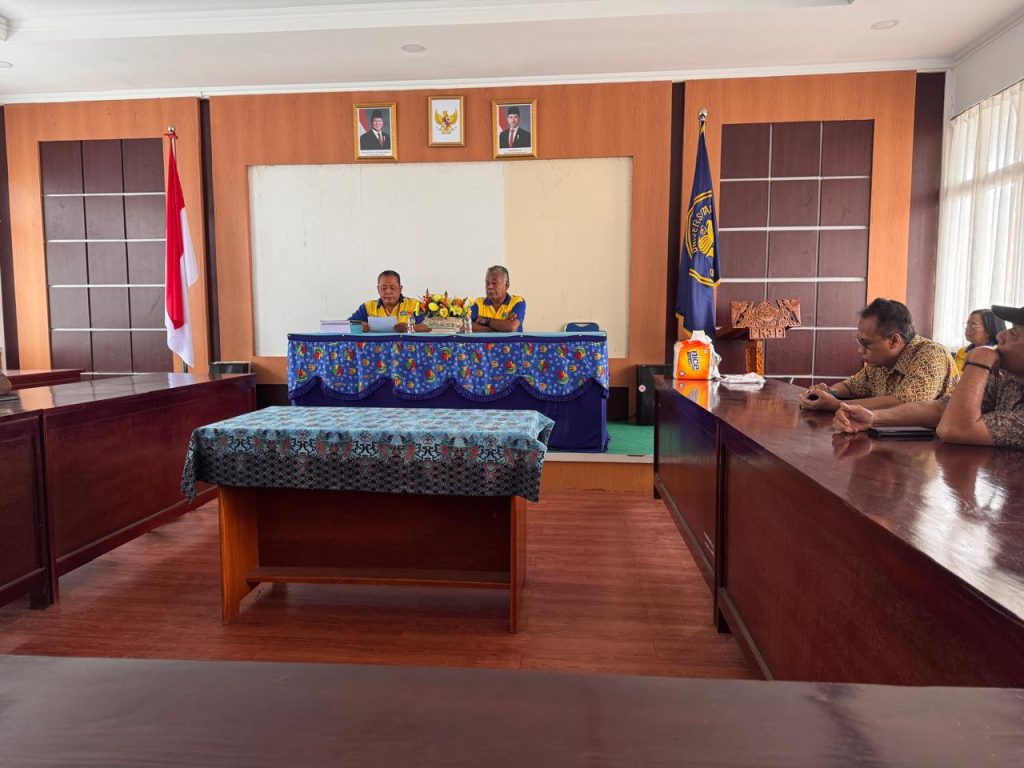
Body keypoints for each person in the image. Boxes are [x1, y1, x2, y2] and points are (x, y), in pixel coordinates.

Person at [833, 303, 1024, 449]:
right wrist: (873, 418)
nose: (1001, 336)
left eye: (1014, 332)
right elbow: (940, 409)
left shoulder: (932, 353)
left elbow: (954, 428)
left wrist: (979, 361)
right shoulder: (1008, 379)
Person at [799, 298, 958, 412]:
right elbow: (851, 386)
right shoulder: (880, 361)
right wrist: (828, 393)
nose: (860, 350)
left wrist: (837, 405)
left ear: (894, 341)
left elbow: (906, 405)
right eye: (859, 342)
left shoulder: (932, 355)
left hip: (940, 445)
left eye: (866, 344)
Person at [348, 270, 426, 332]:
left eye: (392, 288)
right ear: (378, 289)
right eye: (384, 288)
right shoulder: (368, 307)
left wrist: (409, 328)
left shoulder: (414, 305)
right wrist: (359, 326)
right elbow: (347, 324)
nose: (388, 292)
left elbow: (429, 326)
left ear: (400, 289)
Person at [471, 266, 526, 332]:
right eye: (487, 283)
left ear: (506, 285)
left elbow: (512, 327)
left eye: (494, 283)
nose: (490, 287)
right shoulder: (479, 303)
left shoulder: (517, 302)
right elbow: (467, 327)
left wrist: (484, 320)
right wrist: (503, 326)